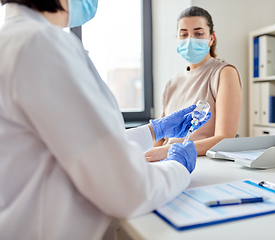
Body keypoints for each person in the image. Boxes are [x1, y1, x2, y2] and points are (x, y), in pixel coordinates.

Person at [0, 0, 210, 239]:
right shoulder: (42, 44)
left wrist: (154, 131)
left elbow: (75, 143)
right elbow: (128, 189)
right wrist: (179, 167)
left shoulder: (13, 40)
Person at [145, 6, 242, 162]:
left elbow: (225, 139)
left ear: (211, 38)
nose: (190, 39)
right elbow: (159, 139)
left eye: (198, 33)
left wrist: (169, 150)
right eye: (184, 34)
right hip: (167, 161)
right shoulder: (172, 83)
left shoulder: (224, 73)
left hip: (200, 162)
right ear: (177, 39)